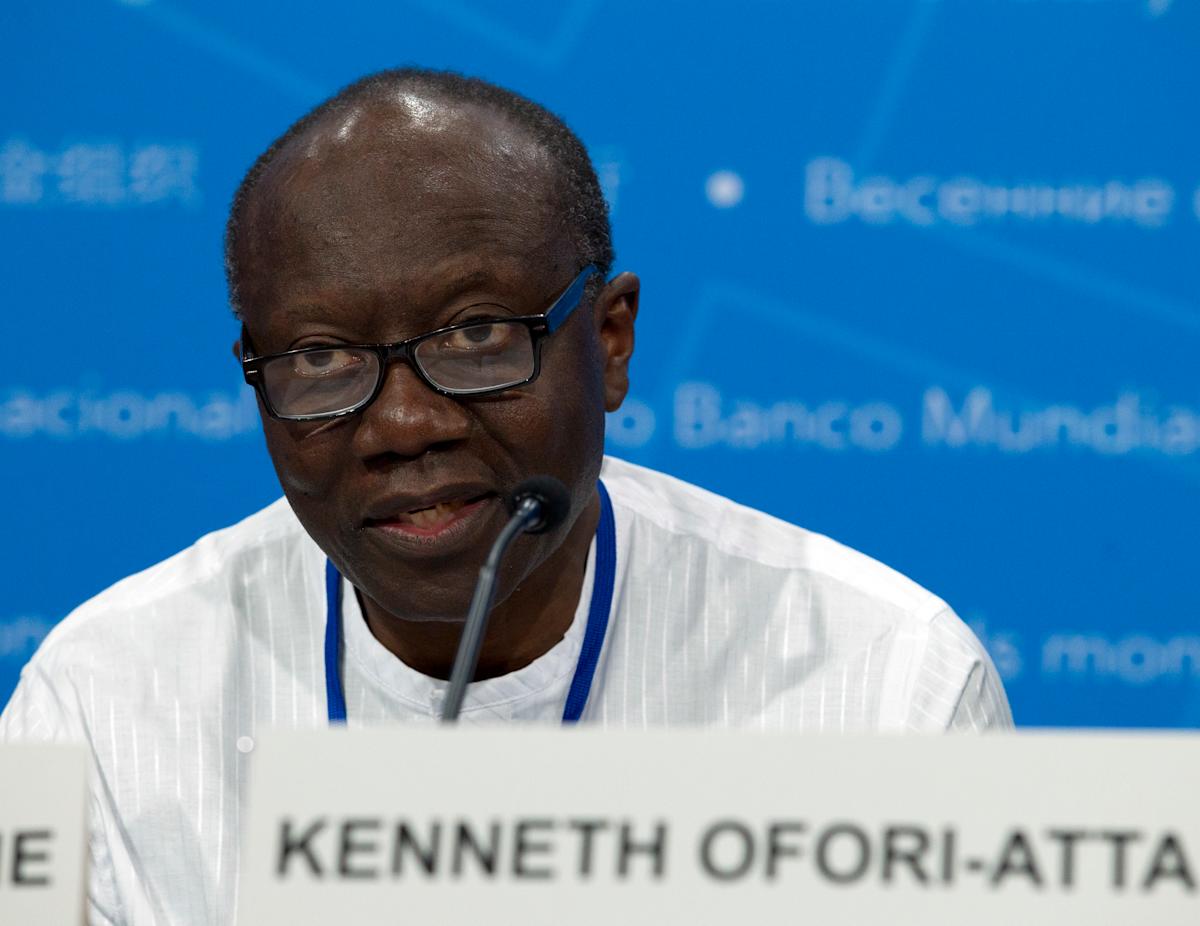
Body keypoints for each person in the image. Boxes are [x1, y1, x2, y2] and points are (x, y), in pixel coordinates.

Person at [0, 68, 1011, 924]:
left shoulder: (887, 685)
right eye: (320, 357)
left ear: (610, 340)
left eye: (475, 335)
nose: (404, 424)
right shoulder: (104, 701)